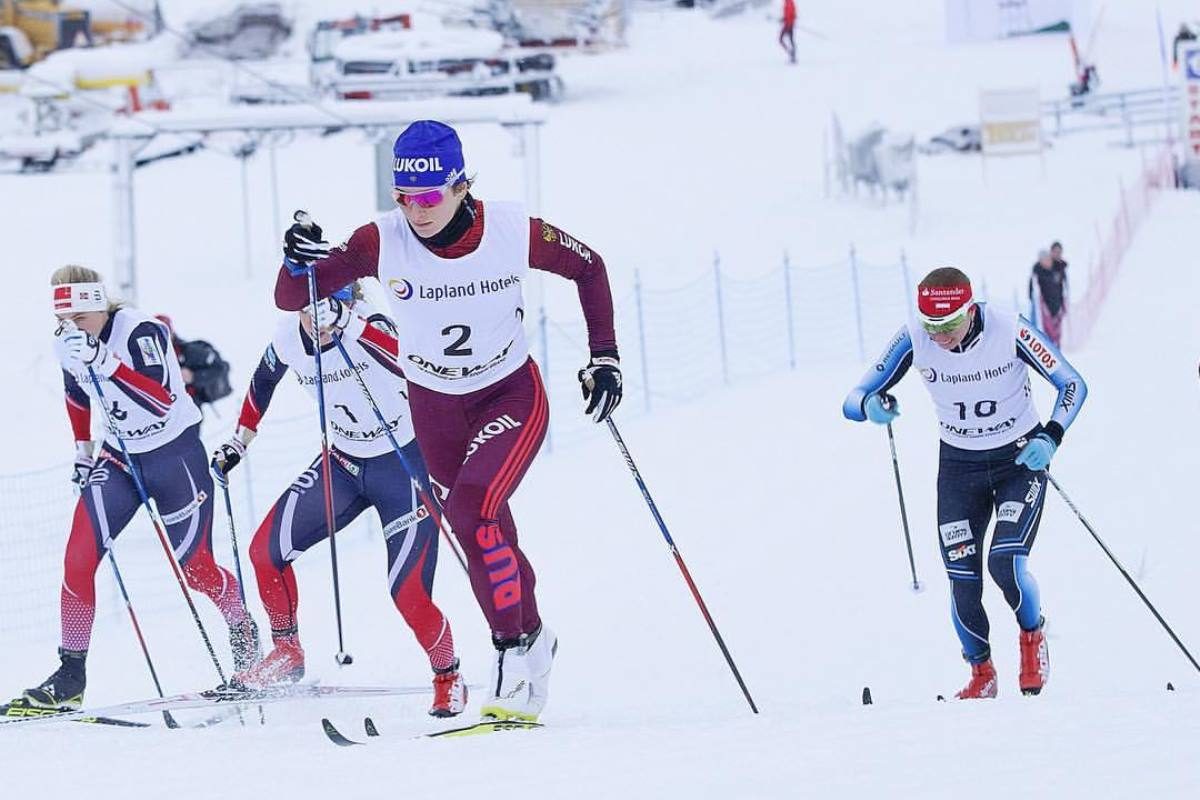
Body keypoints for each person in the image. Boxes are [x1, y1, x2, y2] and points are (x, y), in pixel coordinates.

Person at [272, 120, 621, 723]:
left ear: (461, 185)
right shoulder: (380, 240)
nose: (417, 210)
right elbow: (291, 296)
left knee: (471, 512)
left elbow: (589, 267)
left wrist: (604, 356)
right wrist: (295, 257)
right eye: (404, 196)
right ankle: (535, 637)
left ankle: (510, 654)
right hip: (433, 408)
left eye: (430, 196)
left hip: (508, 396)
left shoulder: (512, 229)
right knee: (488, 531)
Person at [210, 283, 467, 717]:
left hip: (403, 466)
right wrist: (240, 441)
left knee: (407, 592)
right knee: (264, 553)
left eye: (331, 308)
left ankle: (448, 675)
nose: (318, 322)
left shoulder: (369, 323)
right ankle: (287, 652)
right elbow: (261, 384)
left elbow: (410, 363)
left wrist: (350, 325)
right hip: (343, 464)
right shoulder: (288, 337)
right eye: (309, 311)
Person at [10, 266, 257, 712]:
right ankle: (70, 676)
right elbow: (75, 392)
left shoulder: (140, 330)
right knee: (78, 560)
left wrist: (103, 360)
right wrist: (83, 450)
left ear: (100, 307)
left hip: (174, 454)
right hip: (120, 458)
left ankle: (244, 634)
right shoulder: (67, 342)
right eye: (63, 320)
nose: (72, 329)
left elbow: (161, 399)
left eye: (80, 319)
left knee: (197, 569)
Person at [842, 267, 1087, 699]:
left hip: (1019, 460)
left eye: (949, 325)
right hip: (959, 467)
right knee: (963, 579)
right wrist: (871, 406)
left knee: (1005, 563)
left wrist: (1051, 436)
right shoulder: (915, 336)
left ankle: (1032, 637)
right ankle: (981, 674)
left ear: (970, 311)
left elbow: (1072, 384)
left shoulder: (1008, 328)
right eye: (931, 326)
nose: (939, 336)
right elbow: (853, 399)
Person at [154, 315, 233, 410]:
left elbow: (221, 367)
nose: (161, 338)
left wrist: (194, 376)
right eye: (156, 335)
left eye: (164, 332)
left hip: (191, 408)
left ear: (171, 332)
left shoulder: (191, 351)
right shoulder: (152, 356)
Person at [1029, 246, 1068, 348]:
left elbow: (1062, 285)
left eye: (1048, 259)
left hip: (1057, 305)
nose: (1048, 262)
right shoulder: (1038, 273)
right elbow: (1033, 291)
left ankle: (1057, 348)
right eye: (1044, 260)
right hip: (1045, 308)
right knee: (1046, 331)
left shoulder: (1057, 269)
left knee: (1057, 331)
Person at [779, 0, 797, 64]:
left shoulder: (789, 2)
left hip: (788, 25)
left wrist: (789, 24)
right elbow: (789, 15)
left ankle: (792, 55)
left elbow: (791, 14)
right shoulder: (787, 2)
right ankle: (792, 55)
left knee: (781, 39)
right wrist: (783, 19)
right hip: (788, 24)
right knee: (790, 40)